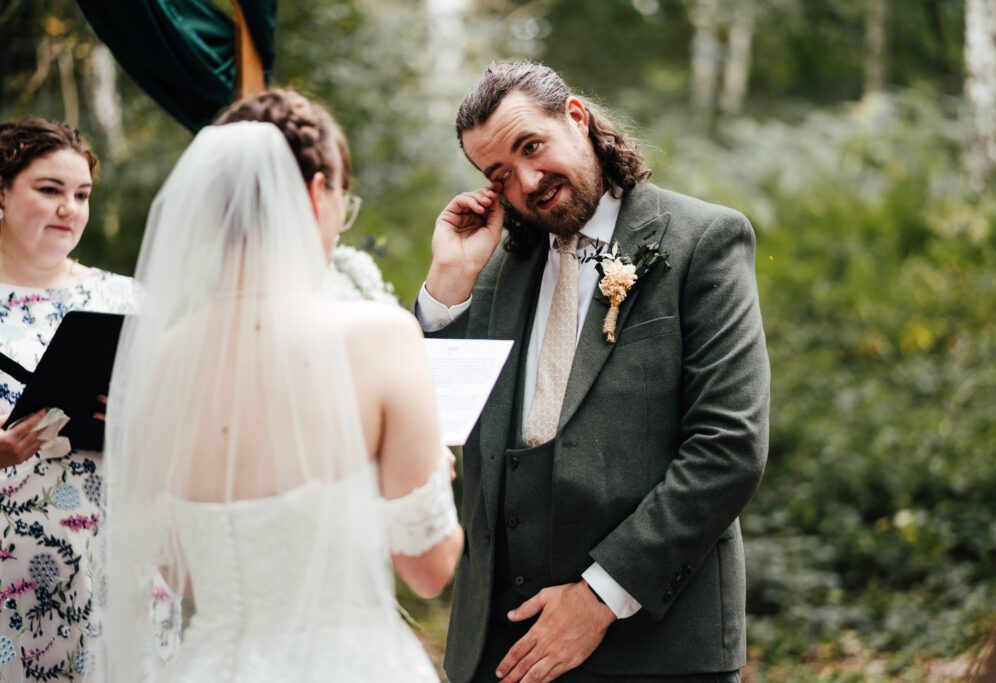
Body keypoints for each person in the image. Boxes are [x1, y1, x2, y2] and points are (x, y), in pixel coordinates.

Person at [416, 61, 770, 682]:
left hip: (657, 649)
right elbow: (433, 429)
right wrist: (447, 284)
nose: (526, 181)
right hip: (501, 652)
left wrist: (600, 597)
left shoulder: (702, 242)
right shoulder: (494, 273)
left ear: (575, 118)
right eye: (500, 174)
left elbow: (729, 448)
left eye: (532, 147)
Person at [103, 90, 462, 682]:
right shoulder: (379, 336)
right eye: (342, 201)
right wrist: (424, 491)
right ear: (317, 192)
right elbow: (428, 568)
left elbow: (179, 572)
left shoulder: (161, 357)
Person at [0, 117, 135, 682]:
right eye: (49, 190)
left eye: (80, 195)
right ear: (1, 193)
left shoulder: (124, 297)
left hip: (118, 558)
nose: (70, 209)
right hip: (13, 573)